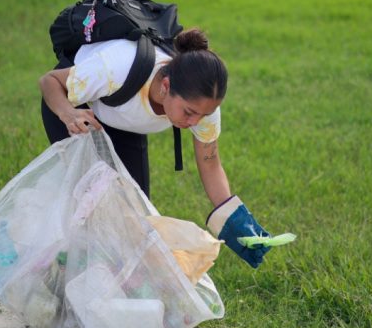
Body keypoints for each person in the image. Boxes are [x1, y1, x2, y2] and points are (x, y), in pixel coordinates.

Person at [39, 28, 272, 268]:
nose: (194, 123)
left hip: (125, 121)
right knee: (95, 200)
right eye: (189, 113)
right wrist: (68, 113)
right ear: (166, 86)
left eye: (204, 115)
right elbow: (50, 81)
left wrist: (233, 218)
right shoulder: (116, 68)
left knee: (135, 218)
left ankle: (114, 291)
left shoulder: (202, 107)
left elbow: (210, 162)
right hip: (74, 109)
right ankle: (54, 269)